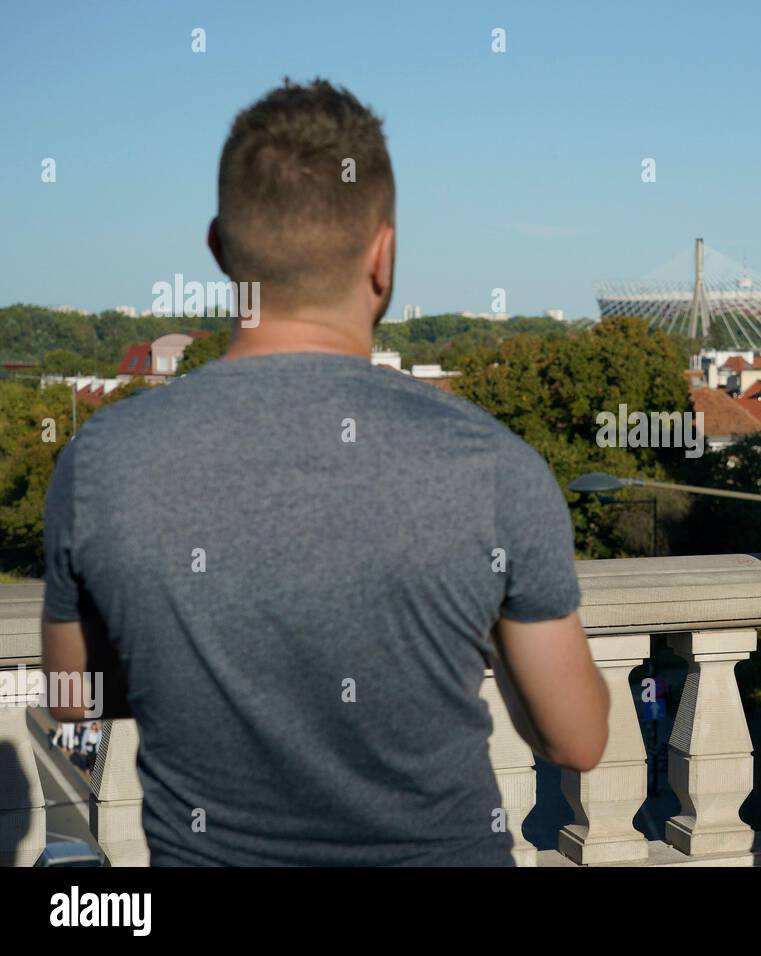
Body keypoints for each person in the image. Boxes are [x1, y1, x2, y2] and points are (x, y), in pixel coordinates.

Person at [40, 79, 609, 866]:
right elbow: (575, 739)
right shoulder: (493, 468)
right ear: (384, 254)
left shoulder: (102, 459)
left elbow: (75, 698)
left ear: (218, 249)